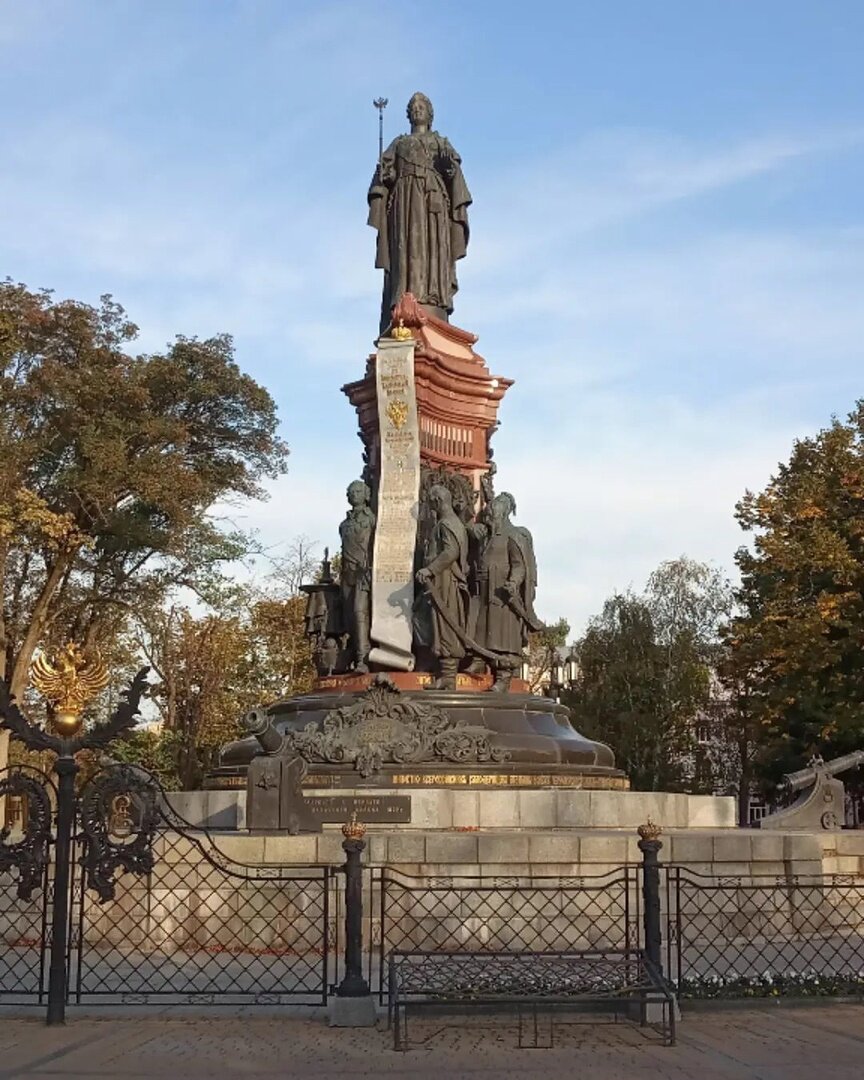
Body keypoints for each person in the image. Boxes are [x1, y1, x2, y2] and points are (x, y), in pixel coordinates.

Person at [368, 92, 472, 332]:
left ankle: (433, 297)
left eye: (421, 106)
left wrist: (449, 171)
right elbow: (385, 176)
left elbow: (455, 177)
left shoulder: (441, 143)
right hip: (404, 203)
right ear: (408, 114)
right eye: (413, 106)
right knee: (406, 249)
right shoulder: (399, 143)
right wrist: (386, 177)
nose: (417, 109)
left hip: (432, 202)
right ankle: (404, 295)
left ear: (430, 113)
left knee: (430, 249)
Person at [471, 492, 540, 692]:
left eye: (492, 514)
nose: (489, 516)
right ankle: (480, 659)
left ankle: (504, 676)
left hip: (503, 594)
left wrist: (513, 582)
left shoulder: (513, 535)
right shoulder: (489, 534)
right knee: (481, 627)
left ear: (503, 513)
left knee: (504, 634)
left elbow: (519, 565)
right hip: (484, 590)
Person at [415, 484, 470, 690]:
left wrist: (430, 569)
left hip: (444, 581)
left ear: (438, 502)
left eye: (431, 503)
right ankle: (433, 665)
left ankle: (448, 675)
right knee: (423, 619)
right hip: (439, 581)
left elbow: (450, 552)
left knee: (445, 623)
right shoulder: (450, 522)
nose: (430, 508)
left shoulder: (447, 524)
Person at [339, 480, 376, 673]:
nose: (354, 494)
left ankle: (364, 659)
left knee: (359, 612)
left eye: (358, 491)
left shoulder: (371, 519)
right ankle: (352, 656)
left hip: (365, 573)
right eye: (351, 491)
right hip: (347, 574)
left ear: (367, 494)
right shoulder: (343, 525)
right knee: (349, 618)